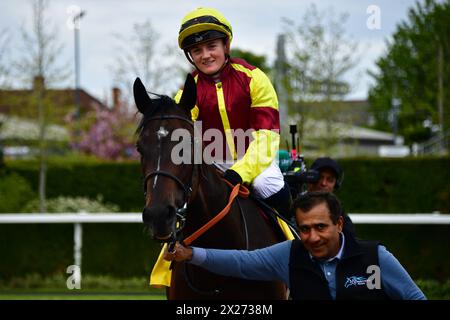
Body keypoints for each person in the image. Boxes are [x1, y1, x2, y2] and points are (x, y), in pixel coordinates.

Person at [164, 191, 426, 300]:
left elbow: (415, 298)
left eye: (321, 227)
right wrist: (191, 254)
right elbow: (241, 262)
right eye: (304, 229)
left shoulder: (376, 258)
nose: (312, 237)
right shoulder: (289, 256)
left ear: (339, 224)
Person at [175, 7, 291, 216]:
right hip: (212, 164)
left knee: (268, 184)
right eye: (197, 50)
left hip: (256, 159)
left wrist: (240, 171)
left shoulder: (254, 78)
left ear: (226, 45)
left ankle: (293, 236)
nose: (206, 55)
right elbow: (182, 135)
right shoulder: (188, 90)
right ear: (190, 56)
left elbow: (267, 136)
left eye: (211, 46)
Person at [306, 157, 356, 237]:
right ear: (310, 177)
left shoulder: (340, 213)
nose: (324, 183)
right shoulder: (293, 202)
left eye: (330, 179)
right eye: (320, 177)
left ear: (336, 185)